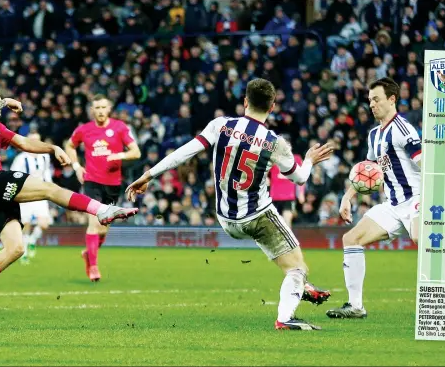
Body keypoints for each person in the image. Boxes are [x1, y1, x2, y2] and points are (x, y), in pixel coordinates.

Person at [126, 78, 333, 331]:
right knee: (298, 267)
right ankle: (285, 317)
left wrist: (148, 175)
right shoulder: (275, 143)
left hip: (226, 218)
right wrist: (310, 159)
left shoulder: (220, 125)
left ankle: (302, 289)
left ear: (245, 101)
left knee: (287, 261)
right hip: (257, 215)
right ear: (272, 107)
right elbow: (299, 178)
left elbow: (185, 152)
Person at [0, 86, 138, 317]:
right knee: (49, 189)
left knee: (16, 248)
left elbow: (24, 143)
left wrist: (52, 148)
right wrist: (5, 101)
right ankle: (101, 210)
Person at [326, 77, 421, 319]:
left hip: (417, 199)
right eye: (370, 101)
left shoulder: (403, 130)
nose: (372, 104)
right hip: (393, 205)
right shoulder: (373, 136)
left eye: (376, 99)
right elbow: (366, 171)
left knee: (423, 239)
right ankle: (355, 306)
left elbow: (424, 162)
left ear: (392, 99)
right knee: (351, 238)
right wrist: (347, 198)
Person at [66, 94, 141, 282]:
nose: (100, 111)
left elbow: (136, 152)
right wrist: (76, 167)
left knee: (103, 229)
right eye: (96, 108)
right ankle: (93, 267)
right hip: (92, 181)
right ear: (92, 110)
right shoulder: (84, 130)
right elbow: (70, 145)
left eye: (103, 107)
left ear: (109, 109)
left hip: (113, 184)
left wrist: (119, 157)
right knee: (94, 223)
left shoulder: (119, 127)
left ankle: (88, 255)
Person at [10, 132, 54, 263]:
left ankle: (32, 241)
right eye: (32, 140)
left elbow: (47, 174)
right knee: (26, 224)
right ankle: (24, 253)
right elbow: (13, 175)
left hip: (41, 193)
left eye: (37, 140)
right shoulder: (21, 158)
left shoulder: (45, 157)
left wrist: (51, 190)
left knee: (44, 224)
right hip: (26, 194)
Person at [269, 134, 304, 227]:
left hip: (288, 196)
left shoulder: (297, 158)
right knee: (273, 224)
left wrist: (301, 193)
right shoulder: (272, 158)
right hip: (274, 196)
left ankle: (288, 241)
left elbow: (302, 177)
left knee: (287, 223)